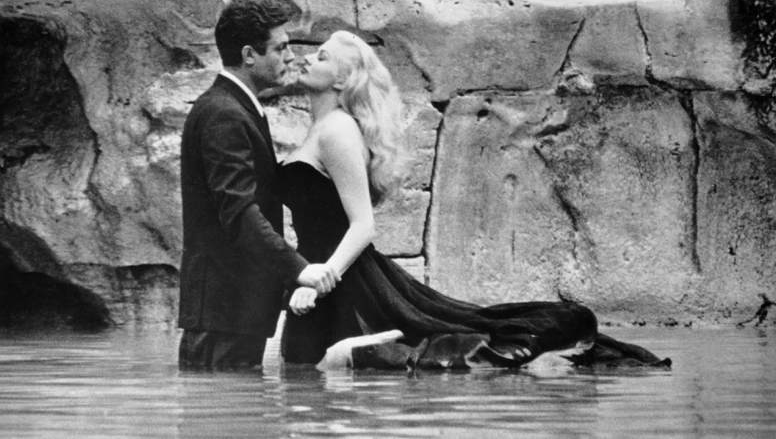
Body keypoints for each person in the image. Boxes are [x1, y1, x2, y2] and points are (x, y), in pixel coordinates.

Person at [278, 30, 670, 370]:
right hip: (324, 273)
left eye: (322, 56)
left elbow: (363, 225)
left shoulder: (337, 130)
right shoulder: (322, 127)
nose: (307, 58)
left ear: (342, 79)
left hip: (339, 276)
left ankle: (363, 353)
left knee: (328, 365)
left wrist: (323, 280)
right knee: (304, 366)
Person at [178, 0, 339, 369]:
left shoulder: (236, 107)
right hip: (223, 315)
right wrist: (300, 269)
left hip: (232, 312)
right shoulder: (224, 113)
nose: (291, 56)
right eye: (280, 48)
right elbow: (239, 212)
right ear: (249, 55)